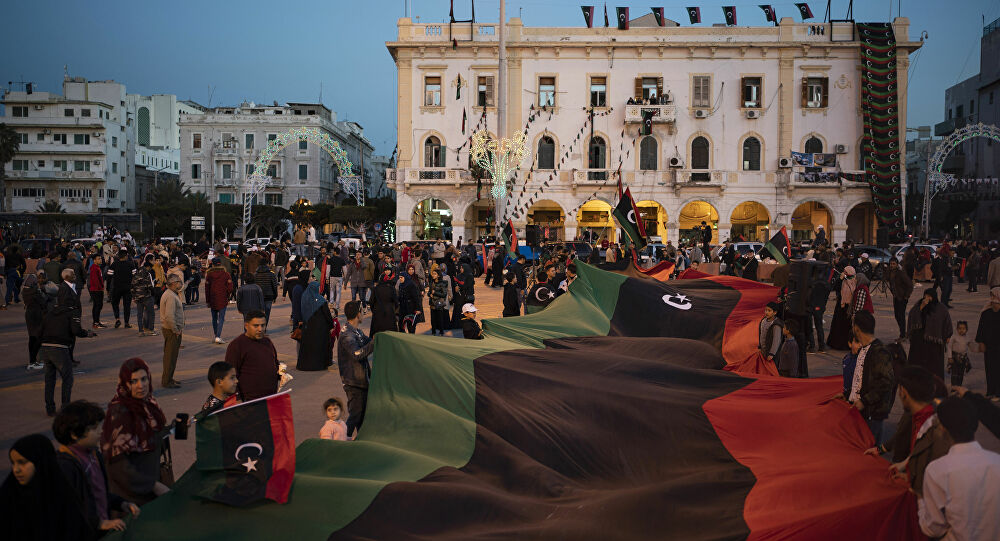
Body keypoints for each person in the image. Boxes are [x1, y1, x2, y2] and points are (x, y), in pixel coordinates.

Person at [917, 396, 1000, 541]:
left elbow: (933, 528)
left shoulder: (937, 470)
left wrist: (921, 501)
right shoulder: (996, 461)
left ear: (942, 429)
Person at [100, 358, 170, 505]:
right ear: (125, 383)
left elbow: (153, 440)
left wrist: (175, 428)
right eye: (133, 381)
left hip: (149, 486)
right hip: (131, 498)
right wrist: (153, 486)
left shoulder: (148, 404)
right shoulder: (120, 413)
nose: (141, 386)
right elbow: (117, 465)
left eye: (144, 379)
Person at [2, 432, 92, 540]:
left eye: (22, 462)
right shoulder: (9, 496)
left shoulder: (62, 497)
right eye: (13, 463)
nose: (16, 469)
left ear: (41, 462)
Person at [39, 279, 95, 415]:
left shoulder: (51, 311)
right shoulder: (72, 311)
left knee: (49, 379)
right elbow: (76, 330)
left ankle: (50, 408)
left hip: (45, 346)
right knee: (67, 378)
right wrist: (87, 333)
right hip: (60, 347)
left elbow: (41, 329)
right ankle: (65, 407)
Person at [846, 311, 895, 444]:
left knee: (868, 447)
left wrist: (864, 401)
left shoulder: (879, 352)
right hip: (864, 412)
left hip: (871, 414)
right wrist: (847, 394)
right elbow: (861, 380)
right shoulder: (864, 349)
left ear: (857, 329)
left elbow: (886, 382)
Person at [338, 301, 374, 438]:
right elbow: (357, 354)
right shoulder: (347, 335)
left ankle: (361, 439)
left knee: (362, 415)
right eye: (362, 311)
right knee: (356, 414)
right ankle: (344, 437)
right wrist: (373, 343)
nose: (363, 313)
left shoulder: (356, 331)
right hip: (353, 382)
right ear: (358, 314)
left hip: (361, 380)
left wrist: (380, 338)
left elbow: (368, 342)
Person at [226, 310, 280, 400]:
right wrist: (237, 398)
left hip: (270, 398)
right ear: (246, 326)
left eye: (263, 325)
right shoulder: (237, 345)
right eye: (256, 326)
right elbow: (230, 375)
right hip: (249, 400)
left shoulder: (267, 342)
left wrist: (281, 373)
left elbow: (275, 363)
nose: (260, 329)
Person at [907, 288, 953, 381]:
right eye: (926, 295)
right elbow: (912, 318)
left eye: (929, 296)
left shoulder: (941, 308)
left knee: (933, 367)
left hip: (934, 342)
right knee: (917, 364)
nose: (927, 298)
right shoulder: (918, 305)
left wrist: (948, 336)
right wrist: (921, 308)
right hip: (919, 340)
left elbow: (947, 323)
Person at [297, 274, 335, 371]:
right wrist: (331, 325)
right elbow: (327, 314)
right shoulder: (321, 300)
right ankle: (319, 365)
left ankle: (306, 365)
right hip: (320, 328)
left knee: (308, 347)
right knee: (319, 347)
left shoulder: (304, 297)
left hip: (307, 327)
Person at [159, 276, 185, 388]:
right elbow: (169, 316)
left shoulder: (171, 294)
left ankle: (169, 378)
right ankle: (166, 381)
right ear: (174, 283)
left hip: (171, 329)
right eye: (179, 282)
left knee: (172, 356)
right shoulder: (170, 296)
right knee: (170, 356)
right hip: (171, 330)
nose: (181, 284)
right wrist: (175, 330)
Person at [975, 287, 1000, 398]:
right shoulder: (986, 313)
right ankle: (990, 391)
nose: (992, 298)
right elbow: (981, 328)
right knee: (989, 369)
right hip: (989, 346)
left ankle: (998, 393)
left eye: (994, 295)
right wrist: (981, 342)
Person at [826, 266, 857, 350]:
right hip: (841, 306)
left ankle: (846, 344)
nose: (844, 273)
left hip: (849, 307)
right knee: (838, 326)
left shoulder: (855, 281)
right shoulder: (842, 280)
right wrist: (840, 279)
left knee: (847, 327)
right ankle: (836, 344)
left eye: (845, 272)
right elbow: (835, 287)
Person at [204, 257, 233, 344]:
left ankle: (216, 335)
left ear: (212, 265)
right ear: (220, 264)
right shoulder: (226, 274)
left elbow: (207, 289)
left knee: (214, 318)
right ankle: (218, 336)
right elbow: (230, 288)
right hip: (222, 298)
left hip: (212, 298)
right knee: (221, 318)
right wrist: (227, 295)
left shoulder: (209, 275)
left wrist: (208, 300)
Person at [22, 274, 45, 371]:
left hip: (29, 314)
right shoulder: (35, 291)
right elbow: (43, 301)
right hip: (36, 315)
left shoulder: (25, 291)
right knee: (38, 338)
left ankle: (32, 360)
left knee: (32, 337)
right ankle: (33, 361)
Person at [106, 251, 135, 329]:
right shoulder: (131, 264)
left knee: (115, 303)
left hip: (117, 288)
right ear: (126, 256)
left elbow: (109, 277)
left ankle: (117, 319)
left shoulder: (114, 264)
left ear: (118, 256)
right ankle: (126, 323)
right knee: (127, 306)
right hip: (128, 288)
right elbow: (135, 276)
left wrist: (107, 288)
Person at [887, 258, 913, 340]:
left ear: (897, 264)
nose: (892, 265)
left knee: (901, 316)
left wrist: (906, 296)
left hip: (902, 297)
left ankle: (902, 335)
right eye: (891, 264)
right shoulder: (890, 272)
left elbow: (910, 285)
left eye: (893, 264)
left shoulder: (901, 273)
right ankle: (903, 332)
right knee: (897, 315)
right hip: (896, 297)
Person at [131, 260, 157, 337]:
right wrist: (153, 293)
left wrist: (134, 297)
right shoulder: (147, 274)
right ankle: (151, 330)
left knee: (140, 314)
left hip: (138, 297)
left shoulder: (136, 273)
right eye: (150, 268)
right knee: (151, 313)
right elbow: (150, 286)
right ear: (148, 267)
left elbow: (132, 286)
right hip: (146, 296)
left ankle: (140, 331)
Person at [369, 269, 398, 336]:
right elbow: (396, 301)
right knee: (391, 333)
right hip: (389, 312)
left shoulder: (375, 289)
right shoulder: (391, 288)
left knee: (377, 333)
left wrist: (374, 310)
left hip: (377, 312)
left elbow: (371, 301)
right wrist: (393, 310)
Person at [397, 266, 422, 333]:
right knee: (401, 324)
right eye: (399, 278)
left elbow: (416, 297)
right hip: (403, 307)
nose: (400, 279)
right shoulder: (401, 285)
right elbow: (400, 296)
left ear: (405, 277)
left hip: (410, 307)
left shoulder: (411, 285)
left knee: (410, 325)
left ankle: (411, 337)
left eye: (401, 277)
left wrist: (418, 308)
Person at [947, 321, 973, 388]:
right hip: (955, 357)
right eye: (960, 328)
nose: (961, 330)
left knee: (961, 373)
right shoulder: (954, 337)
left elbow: (971, 346)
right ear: (957, 329)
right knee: (955, 373)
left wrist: (978, 348)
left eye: (963, 328)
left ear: (966, 329)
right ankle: (954, 387)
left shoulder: (967, 338)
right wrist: (950, 357)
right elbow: (949, 346)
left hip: (963, 358)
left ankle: (959, 386)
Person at [428, 267, 452, 336]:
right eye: (433, 274)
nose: (433, 275)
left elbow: (444, 294)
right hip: (432, 303)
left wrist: (435, 293)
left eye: (435, 274)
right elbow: (429, 292)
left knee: (440, 318)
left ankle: (441, 331)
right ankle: (433, 332)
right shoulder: (431, 282)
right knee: (433, 319)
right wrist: (430, 294)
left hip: (439, 303)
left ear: (438, 275)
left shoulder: (443, 283)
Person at [87, 253, 106, 328]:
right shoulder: (94, 268)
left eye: (100, 258)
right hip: (96, 290)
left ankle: (96, 321)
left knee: (96, 306)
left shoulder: (97, 267)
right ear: (94, 260)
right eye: (98, 259)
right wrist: (100, 288)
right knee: (98, 306)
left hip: (96, 289)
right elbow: (95, 280)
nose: (100, 260)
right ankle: (96, 323)